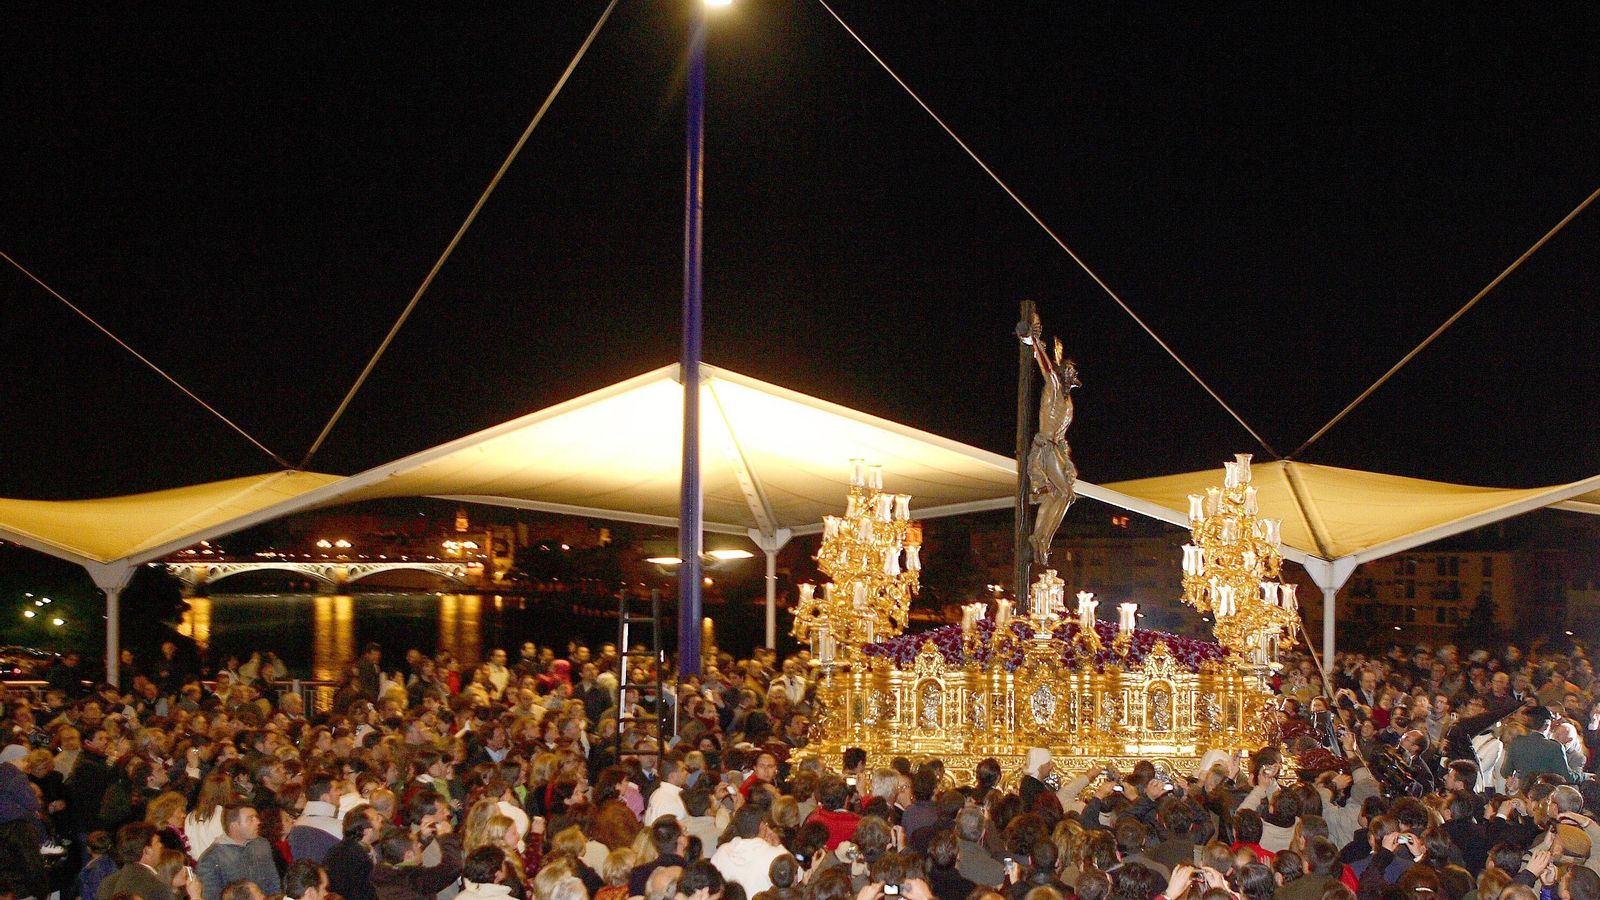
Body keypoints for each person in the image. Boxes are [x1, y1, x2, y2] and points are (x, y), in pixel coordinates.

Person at [196, 805, 281, 900]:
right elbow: (211, 896)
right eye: (250, 819)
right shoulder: (211, 858)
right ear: (234, 825)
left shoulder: (261, 844)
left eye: (256, 818)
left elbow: (274, 882)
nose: (258, 822)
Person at [369, 822, 464, 900]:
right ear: (408, 855)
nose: (419, 845)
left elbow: (405, 850)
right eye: (416, 844)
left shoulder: (380, 873)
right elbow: (451, 867)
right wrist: (446, 837)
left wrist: (422, 837)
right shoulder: (415, 879)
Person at [710, 806, 788, 894]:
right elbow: (798, 879)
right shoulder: (778, 856)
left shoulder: (721, 852)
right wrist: (780, 847)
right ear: (762, 827)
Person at [97, 822, 176, 900]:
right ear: (147, 851)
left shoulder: (106, 884)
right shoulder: (157, 886)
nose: (161, 845)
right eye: (157, 842)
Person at [1501, 706, 1573, 782]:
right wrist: (1583, 776)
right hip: (1544, 791)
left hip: (1522, 791)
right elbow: (1566, 777)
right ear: (1546, 726)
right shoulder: (1554, 747)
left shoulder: (1515, 743)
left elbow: (1505, 773)